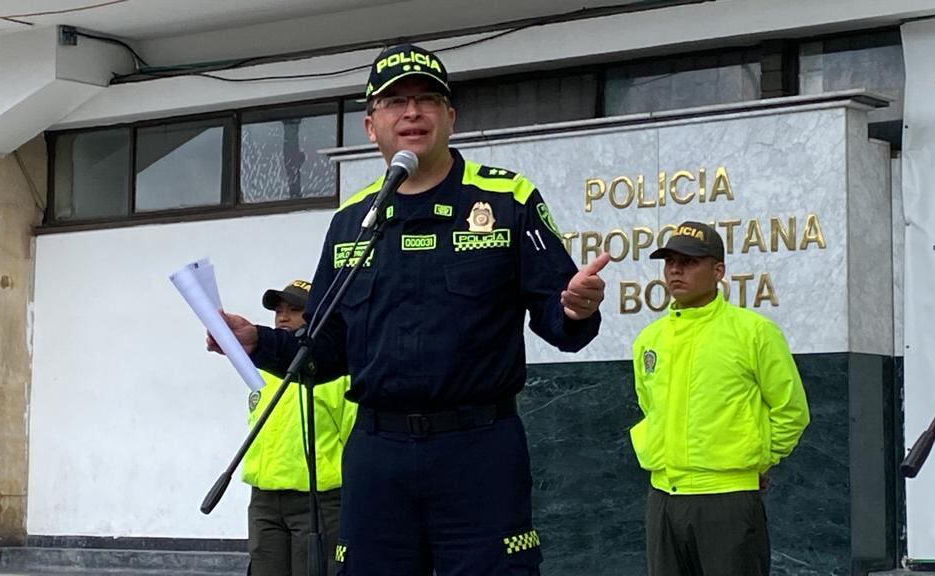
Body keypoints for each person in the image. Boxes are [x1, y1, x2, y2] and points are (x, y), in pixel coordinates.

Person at [209, 42, 610, 575]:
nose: (412, 112)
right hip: (379, 455)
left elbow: (561, 322)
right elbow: (328, 350)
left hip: (479, 451)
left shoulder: (508, 200)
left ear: (450, 116)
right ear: (371, 125)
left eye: (426, 99)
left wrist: (578, 310)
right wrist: (258, 341)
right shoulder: (353, 220)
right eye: (395, 102)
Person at [629, 221, 810, 576]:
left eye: (690, 261)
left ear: (718, 271)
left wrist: (762, 457)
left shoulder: (754, 332)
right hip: (663, 498)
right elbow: (649, 406)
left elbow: (791, 410)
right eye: (669, 262)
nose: (676, 270)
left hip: (727, 499)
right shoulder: (649, 339)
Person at [243, 279, 356, 576]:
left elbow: (354, 443)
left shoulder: (339, 375)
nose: (282, 317)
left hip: (318, 502)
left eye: (294, 310)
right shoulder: (265, 370)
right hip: (265, 501)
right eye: (278, 310)